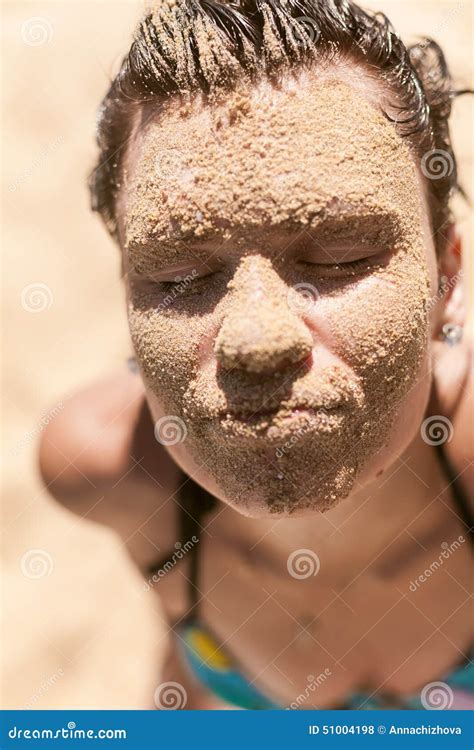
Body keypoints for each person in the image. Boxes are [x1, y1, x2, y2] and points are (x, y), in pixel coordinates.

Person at [39, 0, 473, 709]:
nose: (256, 340)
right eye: (178, 278)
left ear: (447, 278)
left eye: (341, 257)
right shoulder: (108, 474)